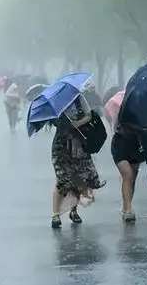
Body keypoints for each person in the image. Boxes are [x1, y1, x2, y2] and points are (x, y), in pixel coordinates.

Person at [50, 93, 106, 228]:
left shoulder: (79, 99)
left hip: (78, 144)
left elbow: (89, 116)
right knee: (62, 179)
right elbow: (53, 121)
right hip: (61, 146)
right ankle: (56, 215)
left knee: (79, 179)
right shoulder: (56, 104)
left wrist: (77, 123)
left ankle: (73, 211)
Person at [111, 123, 146, 222]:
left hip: (136, 143)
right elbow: (116, 125)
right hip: (120, 142)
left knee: (132, 178)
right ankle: (128, 209)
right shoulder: (123, 108)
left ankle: (126, 206)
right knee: (128, 175)